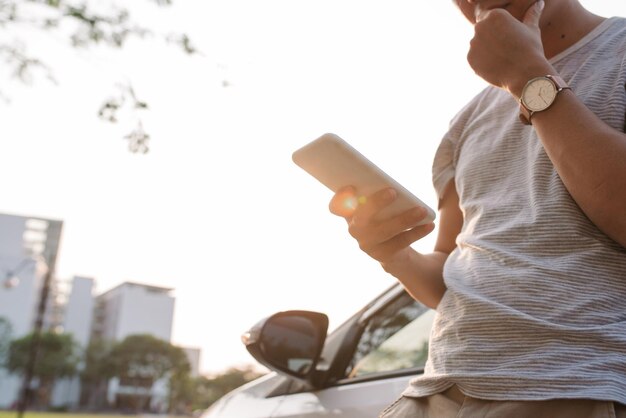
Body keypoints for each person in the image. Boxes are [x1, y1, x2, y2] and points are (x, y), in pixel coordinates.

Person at [328, 0, 626, 416]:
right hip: (437, 391)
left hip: (574, 386)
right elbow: (449, 276)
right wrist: (392, 253)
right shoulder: (467, 120)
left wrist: (527, 77)